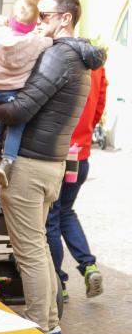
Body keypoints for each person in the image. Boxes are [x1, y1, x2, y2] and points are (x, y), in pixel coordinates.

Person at [0, 0, 106, 334]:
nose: (37, 23)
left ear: (64, 18)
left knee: (30, 249)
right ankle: (49, 320)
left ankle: (43, 326)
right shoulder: (78, 58)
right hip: (49, 162)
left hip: (29, 164)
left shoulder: (59, 55)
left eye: (44, 16)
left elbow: (21, 109)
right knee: (37, 245)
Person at [46, 66, 108, 301]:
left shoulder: (60, 57)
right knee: (66, 212)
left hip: (58, 152)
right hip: (80, 154)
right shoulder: (97, 65)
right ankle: (89, 266)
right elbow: (99, 106)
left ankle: (58, 282)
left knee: (52, 216)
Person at [0, 0, 53, 187]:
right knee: (16, 126)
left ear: (11, 19)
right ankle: (7, 162)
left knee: (3, 114)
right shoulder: (35, 42)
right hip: (15, 91)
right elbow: (49, 42)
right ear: (33, 24)